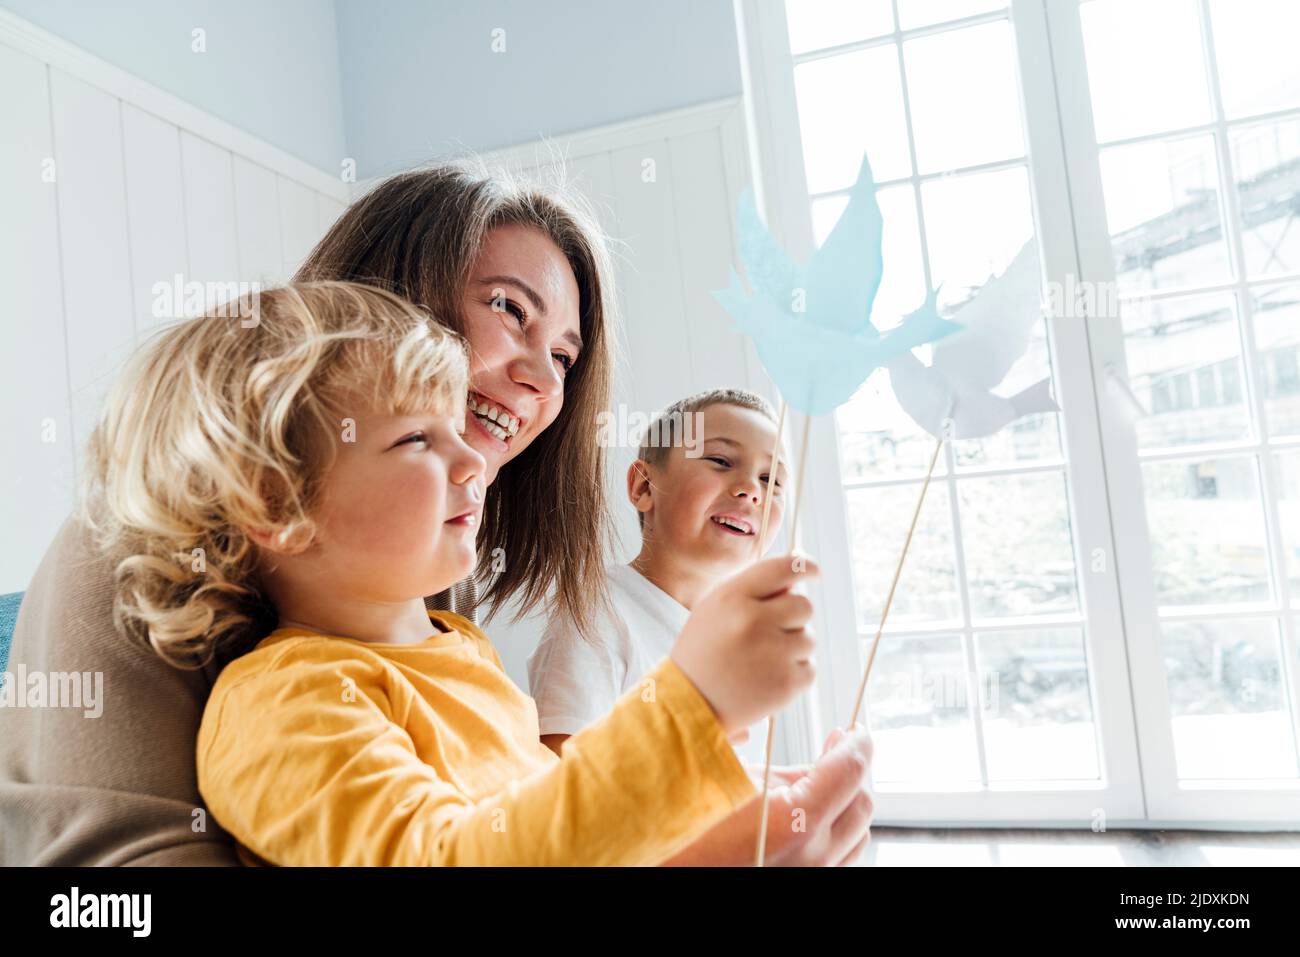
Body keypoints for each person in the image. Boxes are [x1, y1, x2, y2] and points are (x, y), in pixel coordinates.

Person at [0, 162, 873, 866]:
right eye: (508, 310)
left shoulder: (426, 619)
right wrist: (692, 713)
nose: (542, 381)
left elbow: (515, 819)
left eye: (565, 354)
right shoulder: (147, 571)